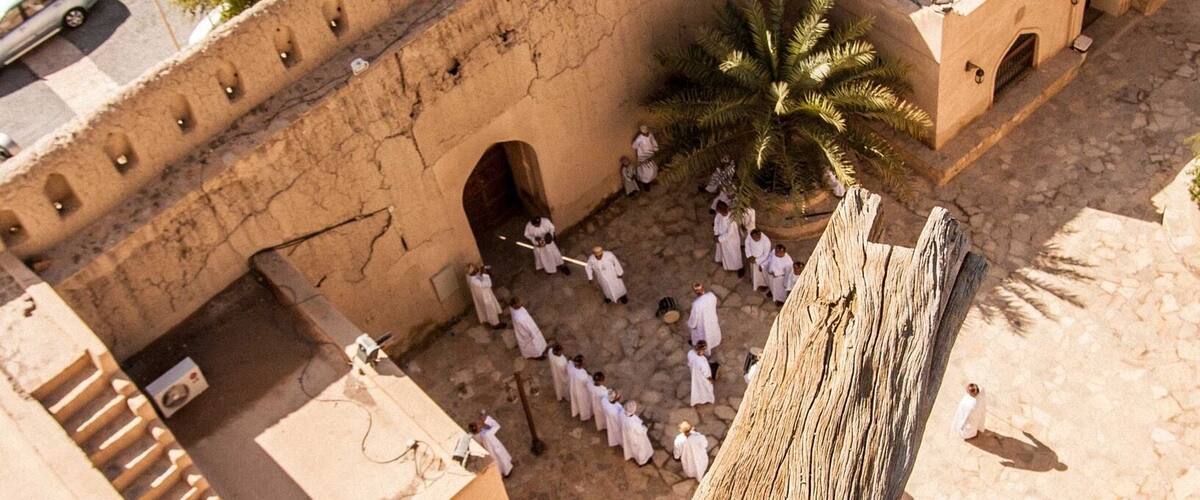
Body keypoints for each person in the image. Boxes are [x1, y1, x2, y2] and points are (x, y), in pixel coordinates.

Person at [466, 264, 506, 329]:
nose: (477, 269)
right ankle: (495, 324)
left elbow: (487, 268)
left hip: (481, 296)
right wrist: (485, 275)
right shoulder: (474, 281)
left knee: (486, 309)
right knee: (490, 309)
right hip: (485, 297)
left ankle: (490, 320)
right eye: (475, 269)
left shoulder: (469, 277)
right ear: (473, 272)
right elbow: (488, 284)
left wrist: (483, 270)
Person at [687, 283, 721, 354]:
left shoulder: (696, 304)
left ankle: (705, 350)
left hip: (702, 323)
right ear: (703, 288)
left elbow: (694, 319)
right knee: (713, 331)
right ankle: (715, 342)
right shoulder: (711, 295)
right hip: (712, 318)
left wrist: (691, 324)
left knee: (703, 336)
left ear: (695, 292)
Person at [713, 201, 744, 277]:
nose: (721, 213)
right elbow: (716, 223)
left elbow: (730, 233)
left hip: (731, 240)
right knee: (724, 252)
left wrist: (719, 239)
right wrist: (716, 234)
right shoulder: (719, 215)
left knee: (734, 254)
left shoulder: (732, 219)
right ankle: (726, 264)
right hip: (721, 238)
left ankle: (740, 268)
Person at [621, 401, 653, 465]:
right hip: (637, 438)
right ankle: (642, 462)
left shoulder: (624, 416)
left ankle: (635, 457)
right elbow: (641, 431)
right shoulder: (634, 424)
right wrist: (645, 427)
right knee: (641, 449)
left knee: (634, 449)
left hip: (629, 436)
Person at [688, 342, 715, 406]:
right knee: (707, 388)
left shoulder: (691, 353)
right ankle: (707, 400)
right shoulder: (701, 361)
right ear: (702, 350)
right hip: (702, 378)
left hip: (695, 375)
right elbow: (706, 372)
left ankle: (696, 400)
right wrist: (710, 379)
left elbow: (689, 362)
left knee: (696, 388)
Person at [632, 124, 659, 189]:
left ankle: (652, 179)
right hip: (643, 156)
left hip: (650, 154)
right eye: (644, 131)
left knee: (653, 168)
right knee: (645, 171)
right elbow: (634, 146)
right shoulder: (639, 138)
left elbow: (653, 141)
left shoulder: (650, 135)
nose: (646, 132)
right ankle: (646, 184)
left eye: (646, 130)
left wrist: (655, 148)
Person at [567, 355, 593, 421]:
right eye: (584, 361)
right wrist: (590, 376)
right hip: (581, 392)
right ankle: (585, 416)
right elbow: (589, 382)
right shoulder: (583, 376)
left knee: (576, 402)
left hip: (573, 389)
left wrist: (570, 360)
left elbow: (570, 363)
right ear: (581, 364)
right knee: (583, 404)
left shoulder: (571, 368)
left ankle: (577, 411)